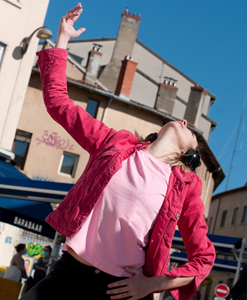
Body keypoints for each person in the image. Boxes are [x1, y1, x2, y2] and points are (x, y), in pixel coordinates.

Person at [21, 3, 215, 300]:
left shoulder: (185, 187)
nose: (185, 122)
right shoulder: (114, 143)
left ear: (185, 155)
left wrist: (154, 284)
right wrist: (62, 40)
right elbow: (58, 103)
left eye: (192, 134)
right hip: (69, 272)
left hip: (120, 290)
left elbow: (202, 260)